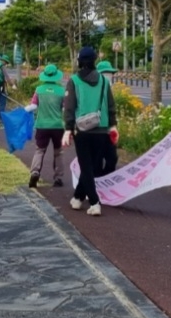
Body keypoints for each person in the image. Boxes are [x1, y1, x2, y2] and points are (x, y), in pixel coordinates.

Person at [62, 47, 118, 216]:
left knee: (86, 167)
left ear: (79, 61)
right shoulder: (103, 80)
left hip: (83, 130)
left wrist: (68, 129)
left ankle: (94, 202)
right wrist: (113, 126)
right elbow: (110, 106)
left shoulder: (74, 81)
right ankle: (78, 198)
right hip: (102, 129)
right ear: (94, 61)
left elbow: (69, 107)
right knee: (91, 166)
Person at [28, 63, 66, 188]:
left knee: (40, 150)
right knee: (58, 152)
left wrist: (24, 110)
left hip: (42, 125)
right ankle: (58, 178)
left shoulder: (39, 90)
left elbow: (33, 106)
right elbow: (65, 109)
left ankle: (35, 172)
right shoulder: (61, 91)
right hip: (57, 126)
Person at [95, 60, 120, 177]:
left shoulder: (109, 88)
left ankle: (105, 179)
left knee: (112, 158)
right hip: (95, 129)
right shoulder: (93, 89)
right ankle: (96, 186)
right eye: (105, 73)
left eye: (110, 73)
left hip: (108, 129)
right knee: (97, 159)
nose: (109, 76)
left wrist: (113, 126)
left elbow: (111, 109)